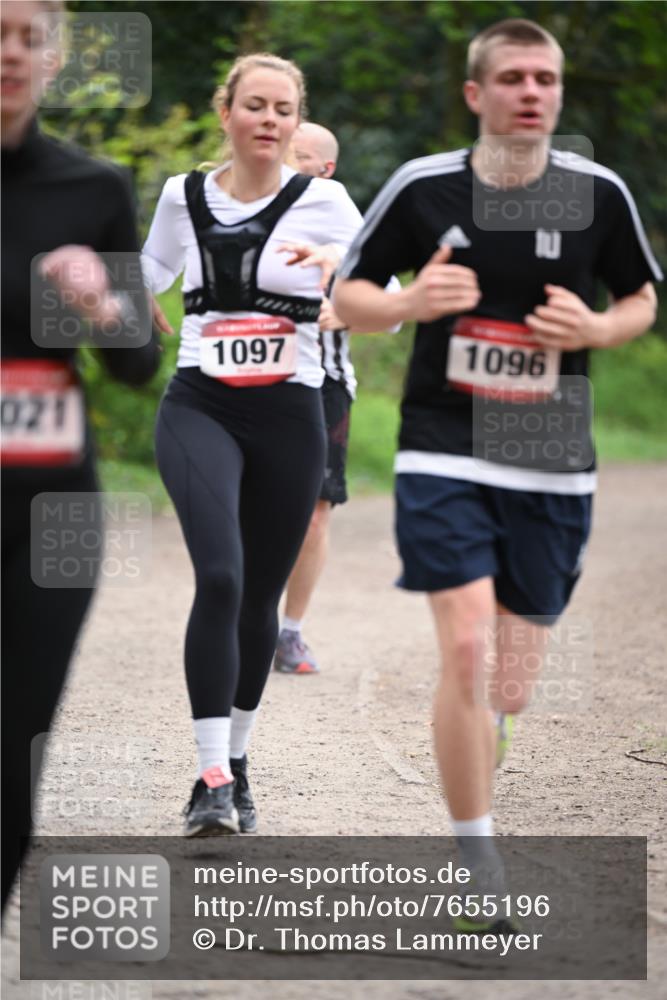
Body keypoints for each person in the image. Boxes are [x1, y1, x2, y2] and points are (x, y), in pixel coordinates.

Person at [334, 18, 661, 929]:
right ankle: (476, 865)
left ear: (558, 94)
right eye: (512, 76)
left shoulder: (596, 194)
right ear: (476, 94)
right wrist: (406, 303)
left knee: (509, 679)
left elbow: (640, 297)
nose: (531, 91)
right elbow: (345, 299)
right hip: (444, 441)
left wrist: (595, 330)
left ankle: (489, 730)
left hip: (553, 458)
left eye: (545, 79)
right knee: (468, 651)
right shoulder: (423, 186)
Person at [141, 55, 364, 837]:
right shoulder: (182, 195)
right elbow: (153, 266)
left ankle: (236, 762)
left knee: (260, 597)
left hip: (289, 412)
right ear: (226, 111)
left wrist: (343, 277)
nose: (268, 119)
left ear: (295, 121)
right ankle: (207, 779)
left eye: (283, 108)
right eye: (255, 105)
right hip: (199, 403)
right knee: (222, 576)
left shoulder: (328, 201)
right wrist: (129, 292)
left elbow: (386, 300)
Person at [1, 0, 160, 912]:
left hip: (52, 512)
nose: (11, 53)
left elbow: (137, 366)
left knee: (14, 746)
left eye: (30, 37)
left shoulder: (92, 188)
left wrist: (101, 307)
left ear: (54, 59)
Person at [272, 122, 361, 675]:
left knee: (312, 517)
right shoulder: (236, 206)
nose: (286, 159)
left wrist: (347, 308)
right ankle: (243, 614)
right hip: (251, 383)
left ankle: (289, 632)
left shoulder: (337, 219)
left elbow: (387, 295)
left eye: (299, 155)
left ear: (324, 168)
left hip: (324, 385)